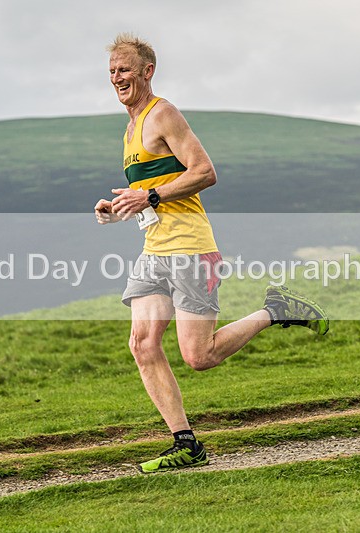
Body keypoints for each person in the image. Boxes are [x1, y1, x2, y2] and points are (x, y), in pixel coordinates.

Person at [94, 33, 329, 474]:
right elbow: (152, 191)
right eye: (111, 71)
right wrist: (120, 208)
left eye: (124, 69)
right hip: (154, 249)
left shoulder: (162, 113)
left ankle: (274, 311)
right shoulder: (129, 128)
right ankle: (187, 444)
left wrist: (150, 198)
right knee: (142, 344)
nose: (116, 78)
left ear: (147, 71)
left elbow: (205, 172)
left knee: (199, 357)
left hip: (190, 248)